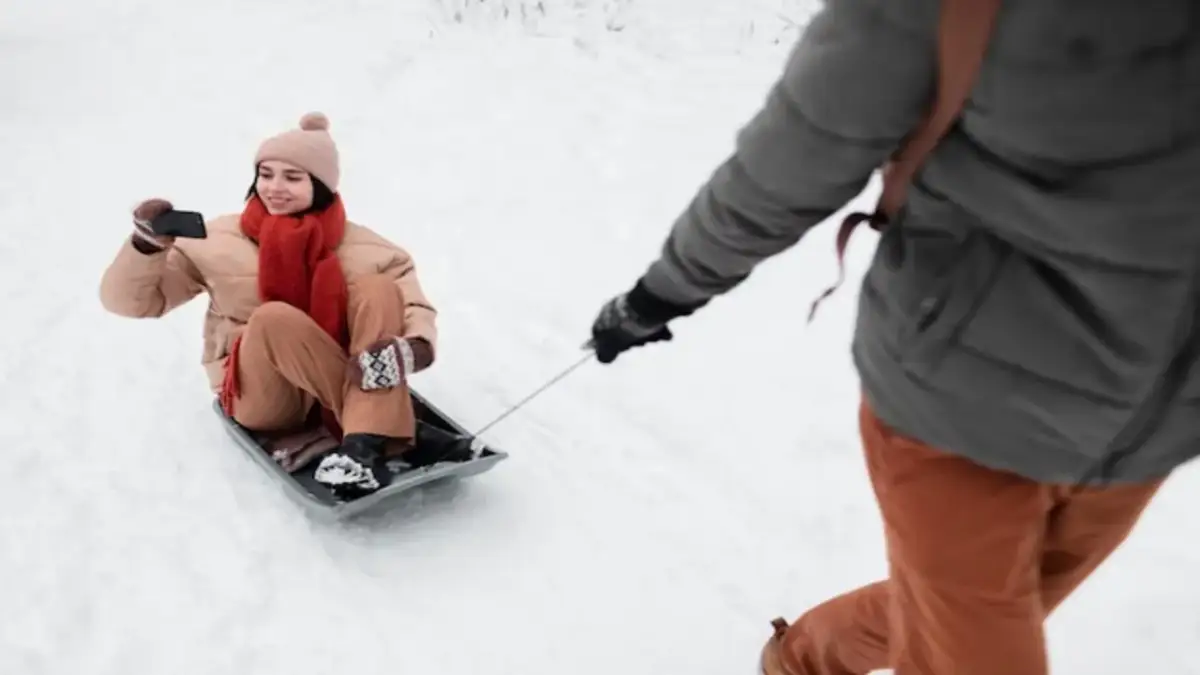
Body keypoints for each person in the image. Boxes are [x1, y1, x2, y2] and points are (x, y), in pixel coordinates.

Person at [588, 0, 1198, 673]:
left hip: (1151, 433)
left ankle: (801, 658)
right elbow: (790, 162)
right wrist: (661, 293)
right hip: (963, 411)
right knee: (972, 642)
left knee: (973, 612)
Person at [100, 112, 473, 499]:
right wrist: (146, 247)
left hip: (330, 376)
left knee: (378, 289)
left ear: (322, 185)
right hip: (262, 396)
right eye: (266, 174)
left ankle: (363, 448)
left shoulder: (369, 248)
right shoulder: (215, 240)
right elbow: (131, 304)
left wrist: (415, 348)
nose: (275, 188)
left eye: (293, 178)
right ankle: (396, 428)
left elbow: (413, 307)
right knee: (273, 316)